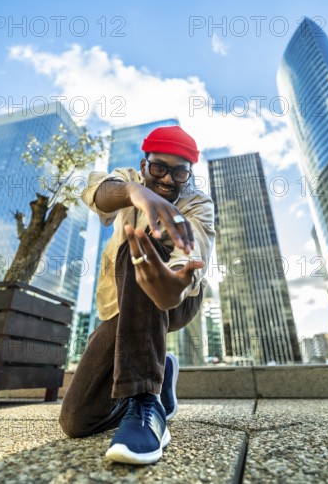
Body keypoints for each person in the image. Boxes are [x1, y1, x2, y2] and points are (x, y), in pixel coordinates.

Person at [59, 125, 215, 465]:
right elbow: (96, 193)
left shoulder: (198, 203)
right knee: (76, 420)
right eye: (159, 167)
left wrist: (173, 282)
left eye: (179, 172)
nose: (168, 179)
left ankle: (146, 404)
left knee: (143, 248)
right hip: (121, 307)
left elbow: (195, 251)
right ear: (144, 165)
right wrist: (135, 193)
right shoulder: (128, 178)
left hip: (178, 298)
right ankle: (163, 373)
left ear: (188, 175)